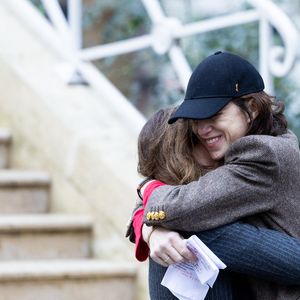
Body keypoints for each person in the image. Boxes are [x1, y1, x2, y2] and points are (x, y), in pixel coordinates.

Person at [137, 51, 300, 299]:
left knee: (188, 232)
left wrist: (148, 189)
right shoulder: (244, 145)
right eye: (196, 119)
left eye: (214, 114)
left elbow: (181, 208)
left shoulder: (263, 154)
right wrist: (153, 232)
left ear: (253, 107)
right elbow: (177, 206)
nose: (202, 129)